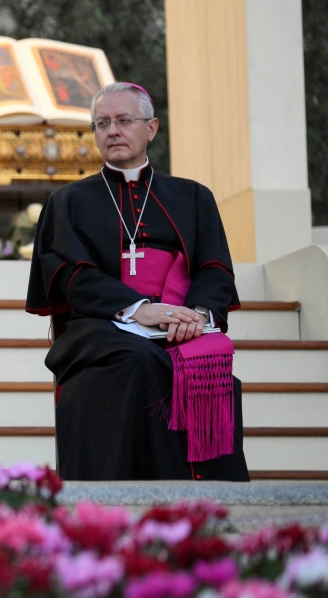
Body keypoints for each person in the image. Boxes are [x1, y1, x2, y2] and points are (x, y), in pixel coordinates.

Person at [26, 82, 249, 482]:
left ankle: (211, 499)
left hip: (181, 321)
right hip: (98, 326)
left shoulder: (194, 197)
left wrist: (194, 316)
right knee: (137, 359)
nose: (112, 131)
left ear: (152, 128)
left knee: (216, 372)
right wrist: (138, 309)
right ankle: (142, 489)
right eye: (102, 123)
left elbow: (215, 267)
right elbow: (71, 275)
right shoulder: (68, 202)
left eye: (124, 120)